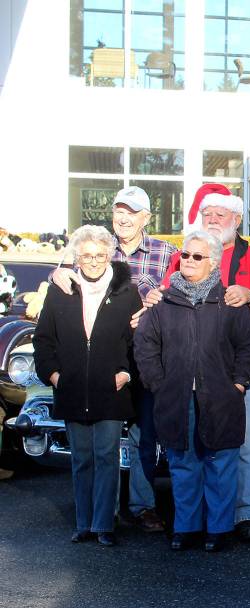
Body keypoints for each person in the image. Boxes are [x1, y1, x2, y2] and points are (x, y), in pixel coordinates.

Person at [150, 183, 250, 542]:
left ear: (235, 219)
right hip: (187, 376)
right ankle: (199, 521)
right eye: (206, 213)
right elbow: (163, 302)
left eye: (219, 214)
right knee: (191, 448)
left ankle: (243, 514)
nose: (212, 219)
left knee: (242, 446)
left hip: (236, 372)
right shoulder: (185, 256)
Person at [51, 186, 176, 534]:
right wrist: (56, 274)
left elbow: (180, 292)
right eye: (119, 211)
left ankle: (142, 505)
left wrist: (156, 308)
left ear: (146, 218)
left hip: (145, 356)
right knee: (101, 442)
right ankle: (105, 511)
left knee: (143, 434)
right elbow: (63, 280)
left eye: (131, 212)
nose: (123, 218)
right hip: (105, 360)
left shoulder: (167, 253)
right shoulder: (98, 246)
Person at [134, 231, 250, 552]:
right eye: (185, 255)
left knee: (220, 464)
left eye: (197, 256)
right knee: (183, 464)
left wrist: (237, 384)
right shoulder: (163, 302)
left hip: (221, 398)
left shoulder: (230, 303)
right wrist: (158, 384)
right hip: (177, 398)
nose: (188, 261)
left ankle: (219, 529)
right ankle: (187, 527)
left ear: (213, 262)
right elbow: (145, 347)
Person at [34, 225, 142, 547]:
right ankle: (84, 523)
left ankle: (104, 524)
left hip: (111, 390)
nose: (93, 261)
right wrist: (54, 376)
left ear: (109, 255)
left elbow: (140, 341)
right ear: (76, 258)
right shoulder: (60, 291)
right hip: (71, 388)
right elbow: (43, 340)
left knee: (107, 456)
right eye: (86, 255)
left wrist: (126, 373)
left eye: (99, 255)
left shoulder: (126, 292)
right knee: (81, 458)